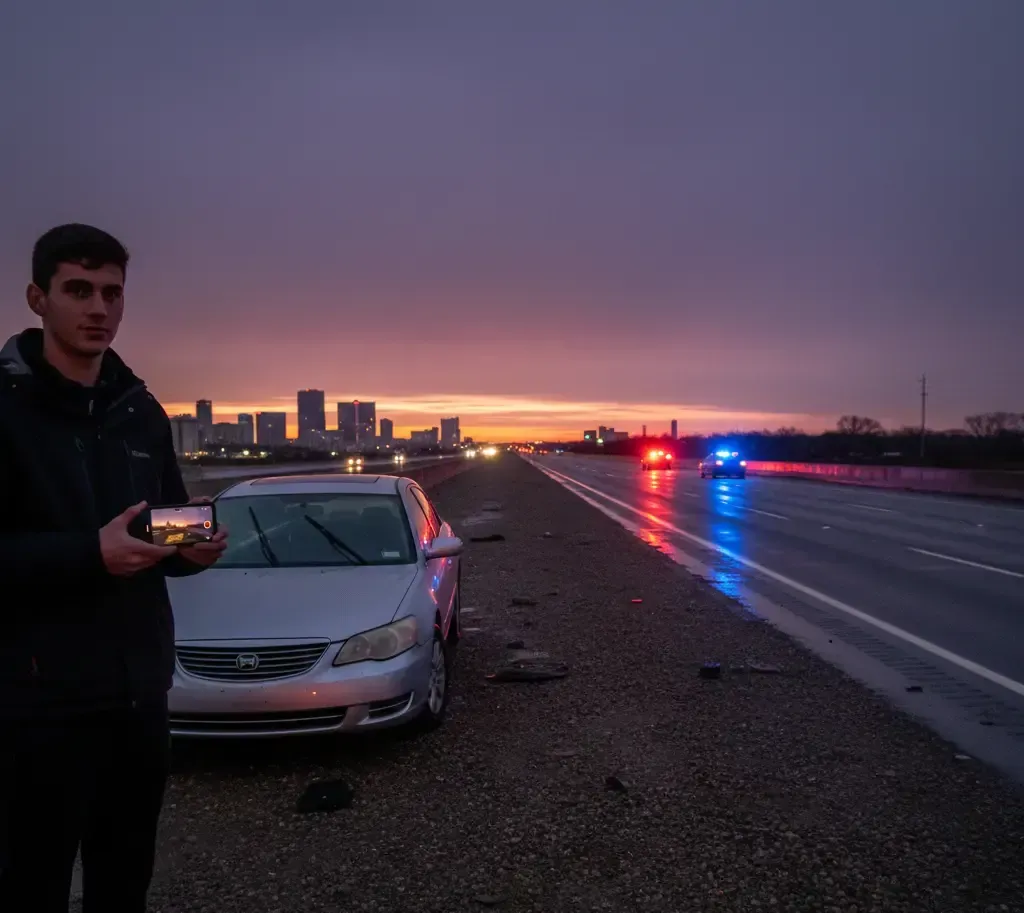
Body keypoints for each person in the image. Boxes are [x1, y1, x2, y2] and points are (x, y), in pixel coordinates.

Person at [0, 223, 228, 912]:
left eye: (111, 293)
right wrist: (87, 554)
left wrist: (191, 554)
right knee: (30, 884)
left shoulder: (141, 413)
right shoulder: (6, 413)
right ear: (38, 297)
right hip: (36, 707)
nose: (97, 307)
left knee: (125, 881)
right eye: (78, 290)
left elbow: (158, 531)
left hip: (137, 700)